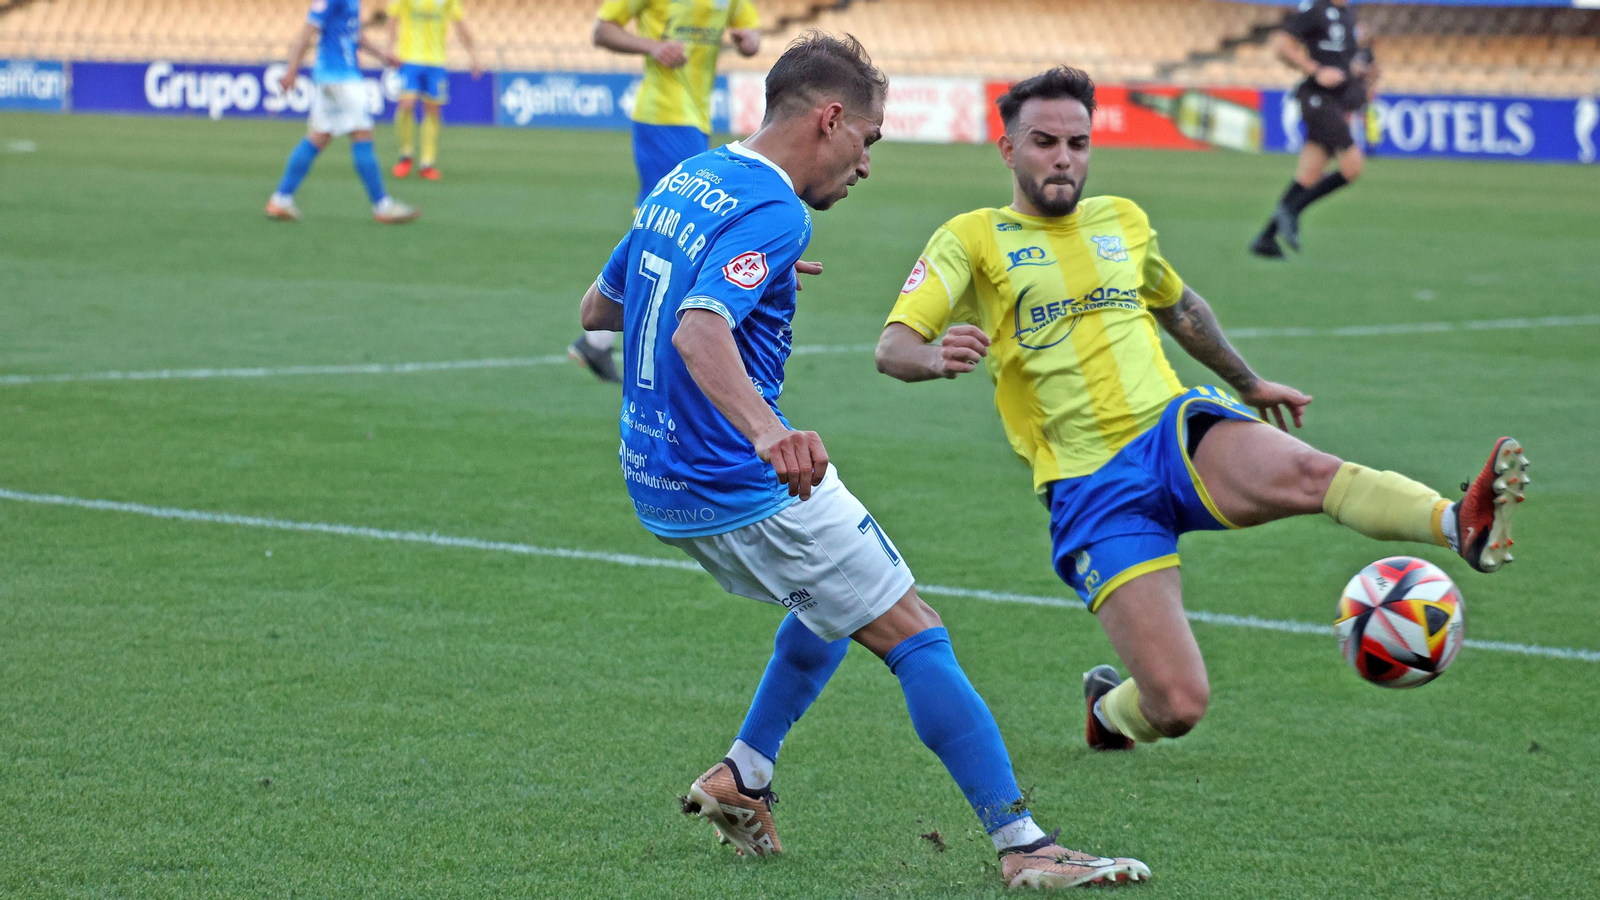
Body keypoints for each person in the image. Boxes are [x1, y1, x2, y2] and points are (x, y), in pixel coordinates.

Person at [576, 35, 1148, 890]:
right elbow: (698, 330)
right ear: (830, 118)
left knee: (830, 604)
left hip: (658, 481)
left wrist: (751, 276)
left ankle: (746, 772)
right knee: (913, 630)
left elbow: (601, 308)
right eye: (868, 141)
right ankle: (1024, 845)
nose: (867, 163)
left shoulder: (688, 179)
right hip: (742, 479)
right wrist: (771, 433)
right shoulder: (776, 210)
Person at [870, 66, 1526, 755]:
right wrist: (934, 357)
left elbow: (1179, 306)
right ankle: (1110, 714)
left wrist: (1247, 382)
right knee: (1179, 704)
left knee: (1311, 474)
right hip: (1091, 484)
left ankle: (1458, 524)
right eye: (1043, 142)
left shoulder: (1122, 221)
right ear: (1009, 150)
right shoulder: (971, 239)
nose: (1063, 157)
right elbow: (893, 346)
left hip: (1173, 429)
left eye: (1077, 142)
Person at [569, 0, 764, 383]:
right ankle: (674, 337)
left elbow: (752, 34)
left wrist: (748, 40)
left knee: (659, 222)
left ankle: (600, 338)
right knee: (688, 222)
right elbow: (602, 29)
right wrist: (652, 47)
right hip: (663, 115)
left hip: (696, 116)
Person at [265, 0, 421, 224]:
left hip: (332, 77)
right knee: (362, 134)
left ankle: (280, 199)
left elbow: (353, 34)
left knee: (318, 137)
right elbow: (307, 32)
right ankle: (383, 206)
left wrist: (382, 56)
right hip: (341, 78)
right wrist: (291, 71)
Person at [1250, 0, 1379, 257]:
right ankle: (1292, 210)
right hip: (1318, 99)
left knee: (1308, 176)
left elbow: (1344, 60)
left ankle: (1266, 238)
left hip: (1335, 101)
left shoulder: (1347, 15)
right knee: (1352, 166)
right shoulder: (1316, 10)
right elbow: (1281, 45)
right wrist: (1315, 69)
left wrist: (1361, 72)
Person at [385, 0, 482, 181]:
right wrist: (389, 48)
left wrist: (474, 56)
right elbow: (393, 18)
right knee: (407, 103)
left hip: (436, 61)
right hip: (409, 58)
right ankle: (406, 155)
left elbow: (460, 25)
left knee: (433, 109)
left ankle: (427, 163)